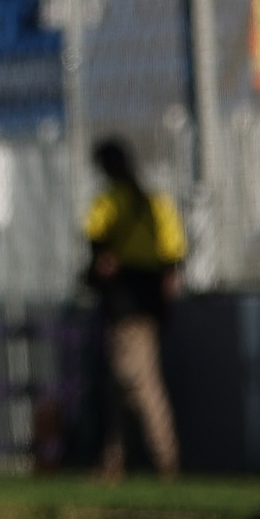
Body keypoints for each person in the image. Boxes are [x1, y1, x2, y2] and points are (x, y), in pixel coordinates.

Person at [82, 136, 185, 482]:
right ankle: (114, 461)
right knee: (116, 385)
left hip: (126, 301)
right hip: (147, 299)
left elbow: (98, 248)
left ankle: (164, 462)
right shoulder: (156, 203)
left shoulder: (109, 203)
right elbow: (173, 258)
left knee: (138, 383)